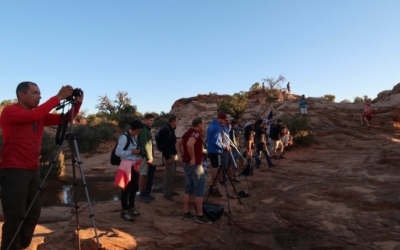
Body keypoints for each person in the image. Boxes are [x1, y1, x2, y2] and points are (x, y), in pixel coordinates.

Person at [0, 82, 83, 250]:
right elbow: (31, 116)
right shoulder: (10, 111)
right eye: (35, 93)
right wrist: (58, 97)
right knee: (15, 216)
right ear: (21, 95)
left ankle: (22, 245)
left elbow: (65, 119)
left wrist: (78, 102)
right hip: (14, 170)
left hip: (33, 169)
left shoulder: (39, 115)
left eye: (40, 93)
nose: (40, 96)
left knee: (33, 213)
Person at [176, 117, 212, 224]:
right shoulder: (196, 134)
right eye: (203, 124)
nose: (204, 126)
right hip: (195, 166)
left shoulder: (188, 132)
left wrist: (182, 156)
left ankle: (186, 212)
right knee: (199, 191)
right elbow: (189, 144)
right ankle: (199, 215)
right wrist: (193, 158)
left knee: (188, 189)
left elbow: (178, 144)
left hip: (187, 165)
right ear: (199, 124)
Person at [114, 120, 144, 222]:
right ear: (132, 128)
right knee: (126, 188)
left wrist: (137, 151)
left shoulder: (132, 137)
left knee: (135, 187)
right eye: (137, 131)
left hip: (133, 164)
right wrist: (131, 151)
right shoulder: (124, 137)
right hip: (126, 165)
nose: (137, 133)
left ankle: (131, 207)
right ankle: (124, 211)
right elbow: (118, 152)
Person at [206, 112, 230, 197]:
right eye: (224, 120)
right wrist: (224, 147)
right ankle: (214, 188)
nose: (224, 122)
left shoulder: (210, 126)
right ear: (222, 119)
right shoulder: (217, 128)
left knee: (215, 168)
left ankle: (214, 186)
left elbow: (207, 140)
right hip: (216, 151)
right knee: (216, 169)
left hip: (211, 151)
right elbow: (216, 141)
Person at [160, 115, 179, 201]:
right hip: (169, 155)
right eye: (177, 121)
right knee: (169, 174)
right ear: (173, 121)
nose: (178, 122)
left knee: (173, 173)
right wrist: (167, 157)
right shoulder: (166, 130)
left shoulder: (171, 129)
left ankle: (171, 190)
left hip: (173, 154)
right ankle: (166, 193)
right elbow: (165, 145)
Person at [137, 113, 155, 203]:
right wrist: (149, 157)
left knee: (145, 174)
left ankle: (144, 193)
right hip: (144, 156)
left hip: (146, 156)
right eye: (150, 120)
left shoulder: (146, 129)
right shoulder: (144, 130)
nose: (152, 122)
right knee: (143, 174)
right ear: (145, 120)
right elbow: (146, 144)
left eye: (152, 120)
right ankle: (141, 194)